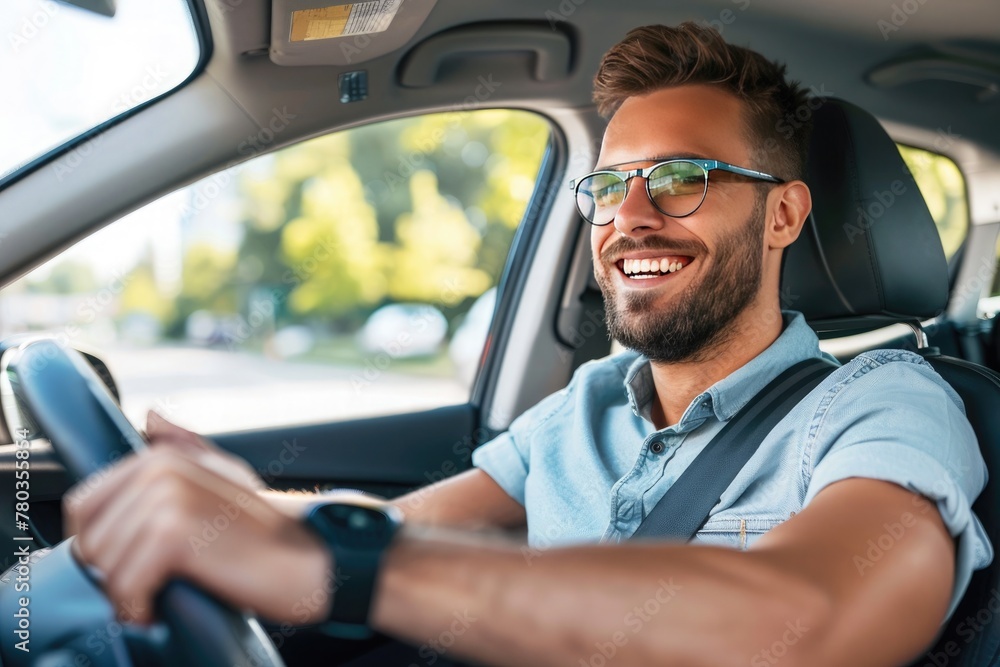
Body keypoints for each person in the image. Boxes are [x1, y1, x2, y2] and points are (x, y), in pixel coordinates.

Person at [66, 22, 991, 667]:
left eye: (680, 178)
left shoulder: (883, 403)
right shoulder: (591, 398)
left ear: (783, 211)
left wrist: (337, 566)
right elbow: (407, 526)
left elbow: (815, 616)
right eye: (611, 184)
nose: (628, 217)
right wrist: (239, 507)